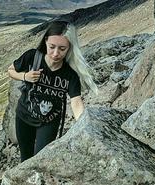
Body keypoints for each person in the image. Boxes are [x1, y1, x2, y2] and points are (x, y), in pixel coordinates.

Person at [7, 21, 98, 162]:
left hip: (49, 122)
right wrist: (25, 76)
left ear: (69, 48)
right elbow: (11, 70)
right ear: (45, 42)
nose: (56, 53)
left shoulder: (70, 75)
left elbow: (76, 102)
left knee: (40, 160)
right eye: (52, 47)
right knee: (25, 158)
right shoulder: (32, 57)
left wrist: (83, 124)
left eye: (62, 49)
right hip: (24, 116)